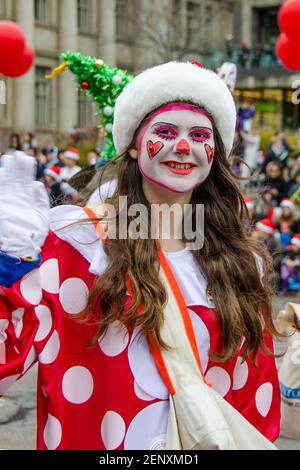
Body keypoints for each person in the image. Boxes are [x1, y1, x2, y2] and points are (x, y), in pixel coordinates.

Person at [0, 61, 280, 450]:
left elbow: (254, 405)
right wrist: (9, 268)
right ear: (132, 145)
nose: (183, 147)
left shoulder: (241, 263)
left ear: (214, 151)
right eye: (165, 132)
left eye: (199, 135)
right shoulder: (77, 247)